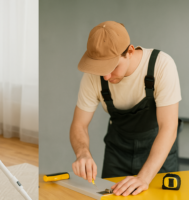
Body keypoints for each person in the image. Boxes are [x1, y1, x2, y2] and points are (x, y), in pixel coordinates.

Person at [70, 21, 182, 196]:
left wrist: (144, 178)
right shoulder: (92, 78)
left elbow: (169, 128)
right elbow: (79, 125)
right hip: (117, 151)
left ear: (129, 51)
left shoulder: (161, 65)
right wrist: (82, 153)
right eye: (100, 69)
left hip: (159, 151)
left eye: (112, 67)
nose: (106, 76)